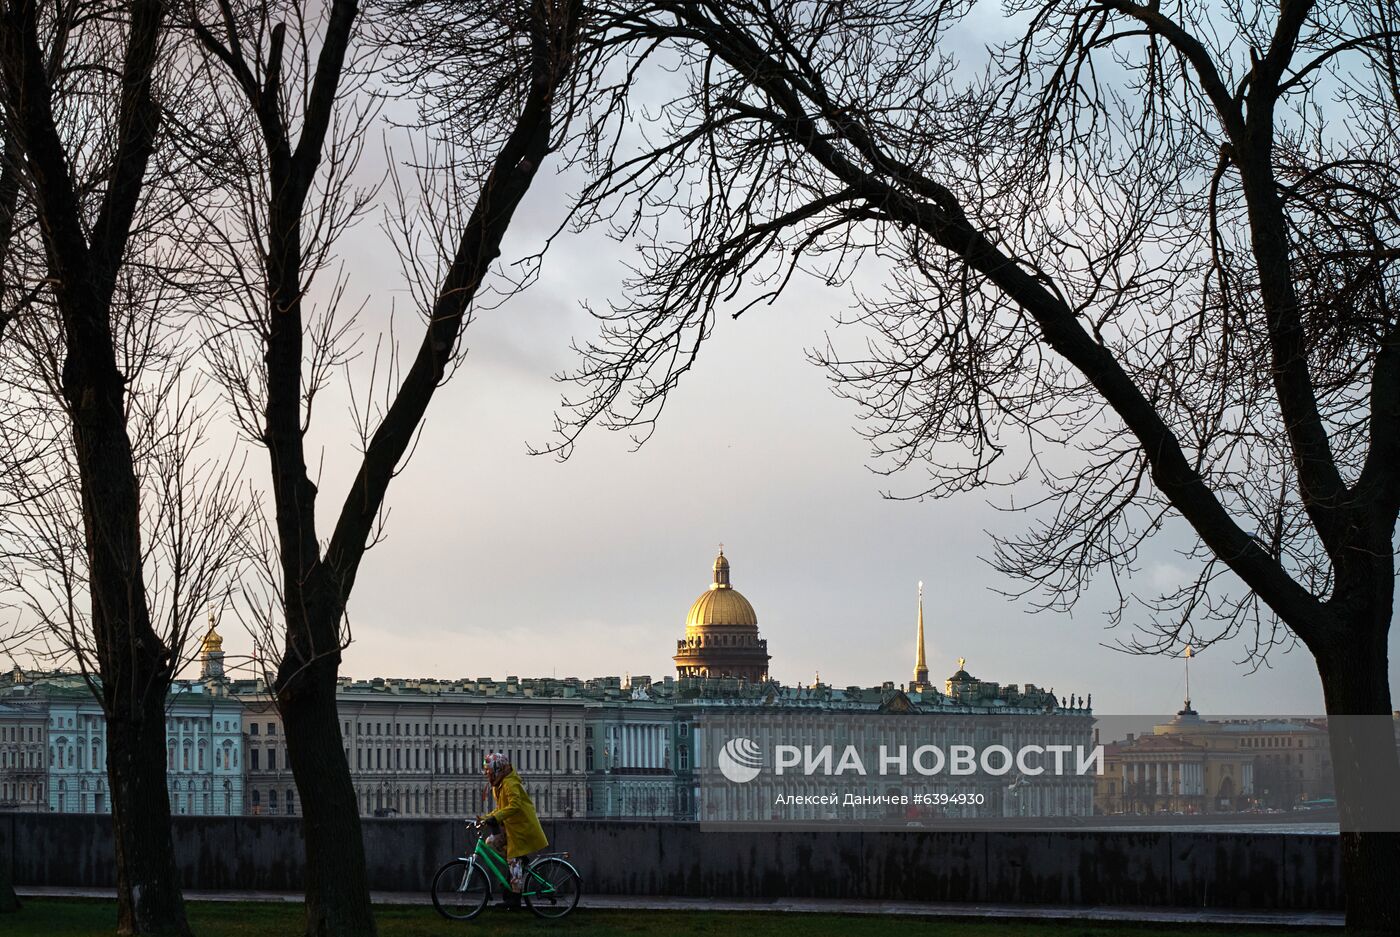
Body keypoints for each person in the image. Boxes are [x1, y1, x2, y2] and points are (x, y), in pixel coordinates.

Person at [478, 752, 548, 908]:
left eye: (489, 772)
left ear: (498, 770)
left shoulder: (510, 783)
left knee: (512, 858)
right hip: (512, 829)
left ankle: (515, 899)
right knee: (491, 842)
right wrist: (484, 818)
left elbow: (514, 806)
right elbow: (501, 808)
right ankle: (518, 866)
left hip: (521, 829)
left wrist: (494, 818)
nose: (487, 775)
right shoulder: (500, 785)